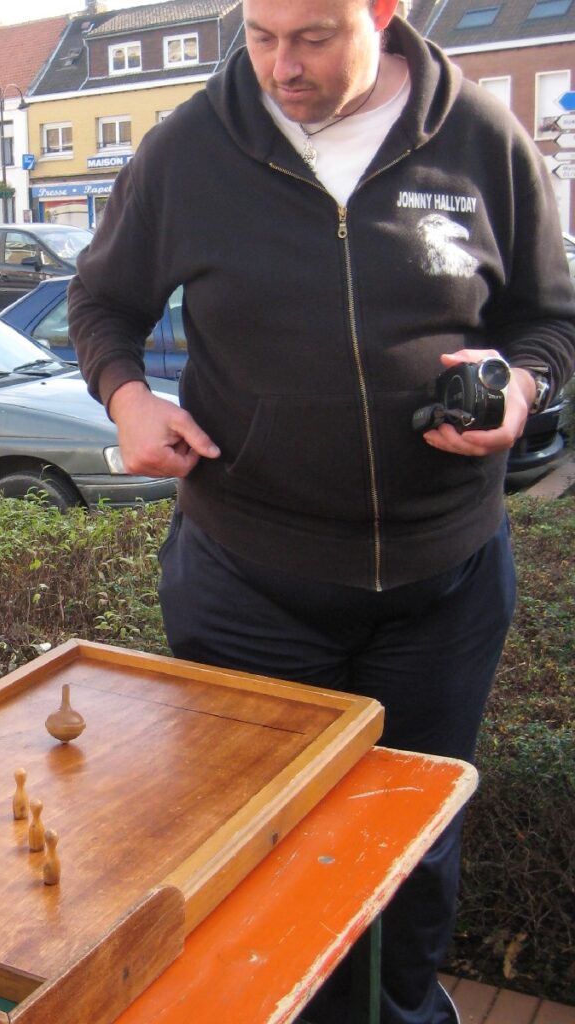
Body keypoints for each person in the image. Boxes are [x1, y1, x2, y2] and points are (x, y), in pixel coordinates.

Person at [68, 2, 575, 1023]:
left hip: (443, 579)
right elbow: (102, 305)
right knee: (263, 846)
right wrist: (130, 398)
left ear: (381, 13)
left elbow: (550, 321)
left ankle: (406, 1008)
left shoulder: (481, 135)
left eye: (310, 37)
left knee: (416, 843)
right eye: (259, 35)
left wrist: (517, 392)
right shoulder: (186, 150)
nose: (279, 65)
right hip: (249, 576)